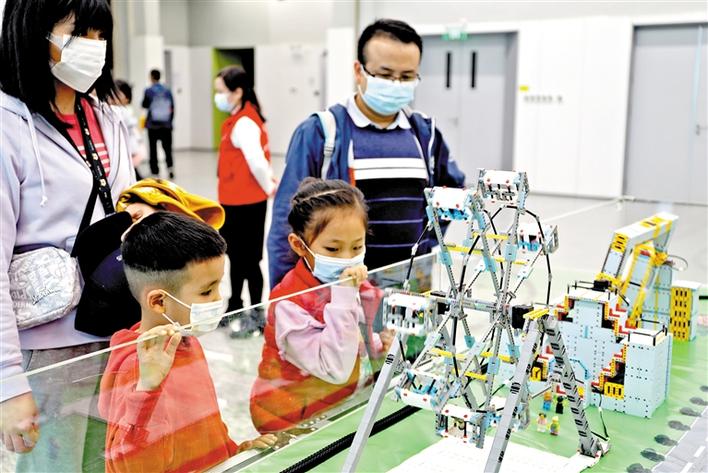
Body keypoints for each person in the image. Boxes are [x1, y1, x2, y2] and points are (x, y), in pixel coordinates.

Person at [0, 0, 135, 470]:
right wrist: (8, 382)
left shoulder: (107, 119)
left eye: (101, 35)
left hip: (116, 334)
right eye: (80, 34)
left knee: (107, 463)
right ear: (32, 32)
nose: (94, 47)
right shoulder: (8, 126)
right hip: (48, 352)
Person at [267, 18, 465, 288]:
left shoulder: (425, 134)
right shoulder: (322, 132)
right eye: (385, 75)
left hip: (411, 286)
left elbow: (452, 192)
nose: (396, 84)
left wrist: (426, 240)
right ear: (359, 71)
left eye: (407, 76)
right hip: (341, 290)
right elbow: (285, 222)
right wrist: (284, 297)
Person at [99, 212, 276, 472]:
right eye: (206, 291)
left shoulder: (187, 341)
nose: (218, 299)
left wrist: (234, 453)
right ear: (158, 301)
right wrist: (146, 390)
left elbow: (205, 428)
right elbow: (128, 466)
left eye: (218, 287)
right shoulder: (138, 369)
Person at [250, 178, 393, 433]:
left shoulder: (358, 286)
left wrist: (382, 345)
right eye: (333, 248)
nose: (347, 259)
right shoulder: (289, 304)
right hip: (295, 422)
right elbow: (335, 368)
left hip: (340, 408)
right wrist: (344, 294)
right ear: (299, 245)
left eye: (357, 247)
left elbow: (358, 336)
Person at [213, 65, 275, 337]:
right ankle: (235, 305)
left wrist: (268, 186)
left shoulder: (244, 123)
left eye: (221, 91)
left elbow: (257, 162)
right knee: (235, 257)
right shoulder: (238, 119)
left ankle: (257, 312)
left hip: (247, 203)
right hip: (234, 201)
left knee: (249, 260)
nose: (218, 97)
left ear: (237, 92)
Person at [141, 69, 175, 178]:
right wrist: (170, 122)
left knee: (153, 149)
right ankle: (170, 168)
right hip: (166, 125)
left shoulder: (148, 91)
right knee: (167, 148)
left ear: (151, 77)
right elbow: (172, 107)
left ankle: (155, 171)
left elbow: (144, 105)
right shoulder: (167, 90)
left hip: (153, 125)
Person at [112, 79, 145, 179]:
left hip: (129, 149)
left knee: (131, 172)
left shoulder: (122, 111)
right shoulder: (121, 110)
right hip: (128, 149)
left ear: (127, 98)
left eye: (117, 94)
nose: (113, 96)